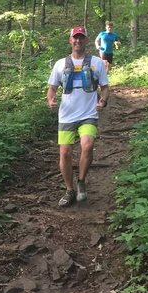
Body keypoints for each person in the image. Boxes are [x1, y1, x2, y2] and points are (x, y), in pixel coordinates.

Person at [47, 26, 109, 207]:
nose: (78, 41)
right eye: (75, 38)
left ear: (87, 41)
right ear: (70, 40)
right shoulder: (60, 64)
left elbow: (105, 88)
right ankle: (69, 189)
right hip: (66, 115)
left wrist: (103, 101)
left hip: (88, 113)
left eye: (81, 38)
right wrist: (50, 100)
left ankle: (81, 181)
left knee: (87, 145)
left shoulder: (97, 63)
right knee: (65, 153)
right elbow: (52, 87)